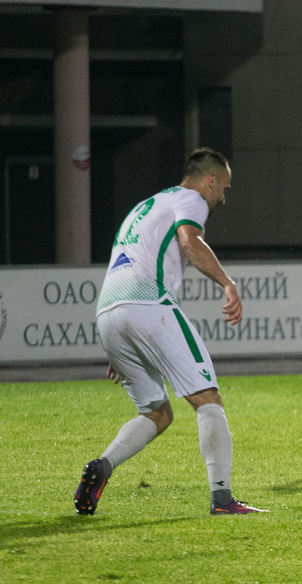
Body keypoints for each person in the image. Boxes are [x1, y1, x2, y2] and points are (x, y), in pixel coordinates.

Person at [75, 147, 265, 516]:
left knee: (157, 413)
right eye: (224, 189)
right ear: (209, 181)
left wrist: (123, 343)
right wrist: (227, 283)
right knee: (207, 397)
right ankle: (223, 500)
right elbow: (189, 241)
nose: (223, 198)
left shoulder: (143, 207)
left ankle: (103, 466)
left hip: (109, 312)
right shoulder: (191, 199)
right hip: (148, 305)